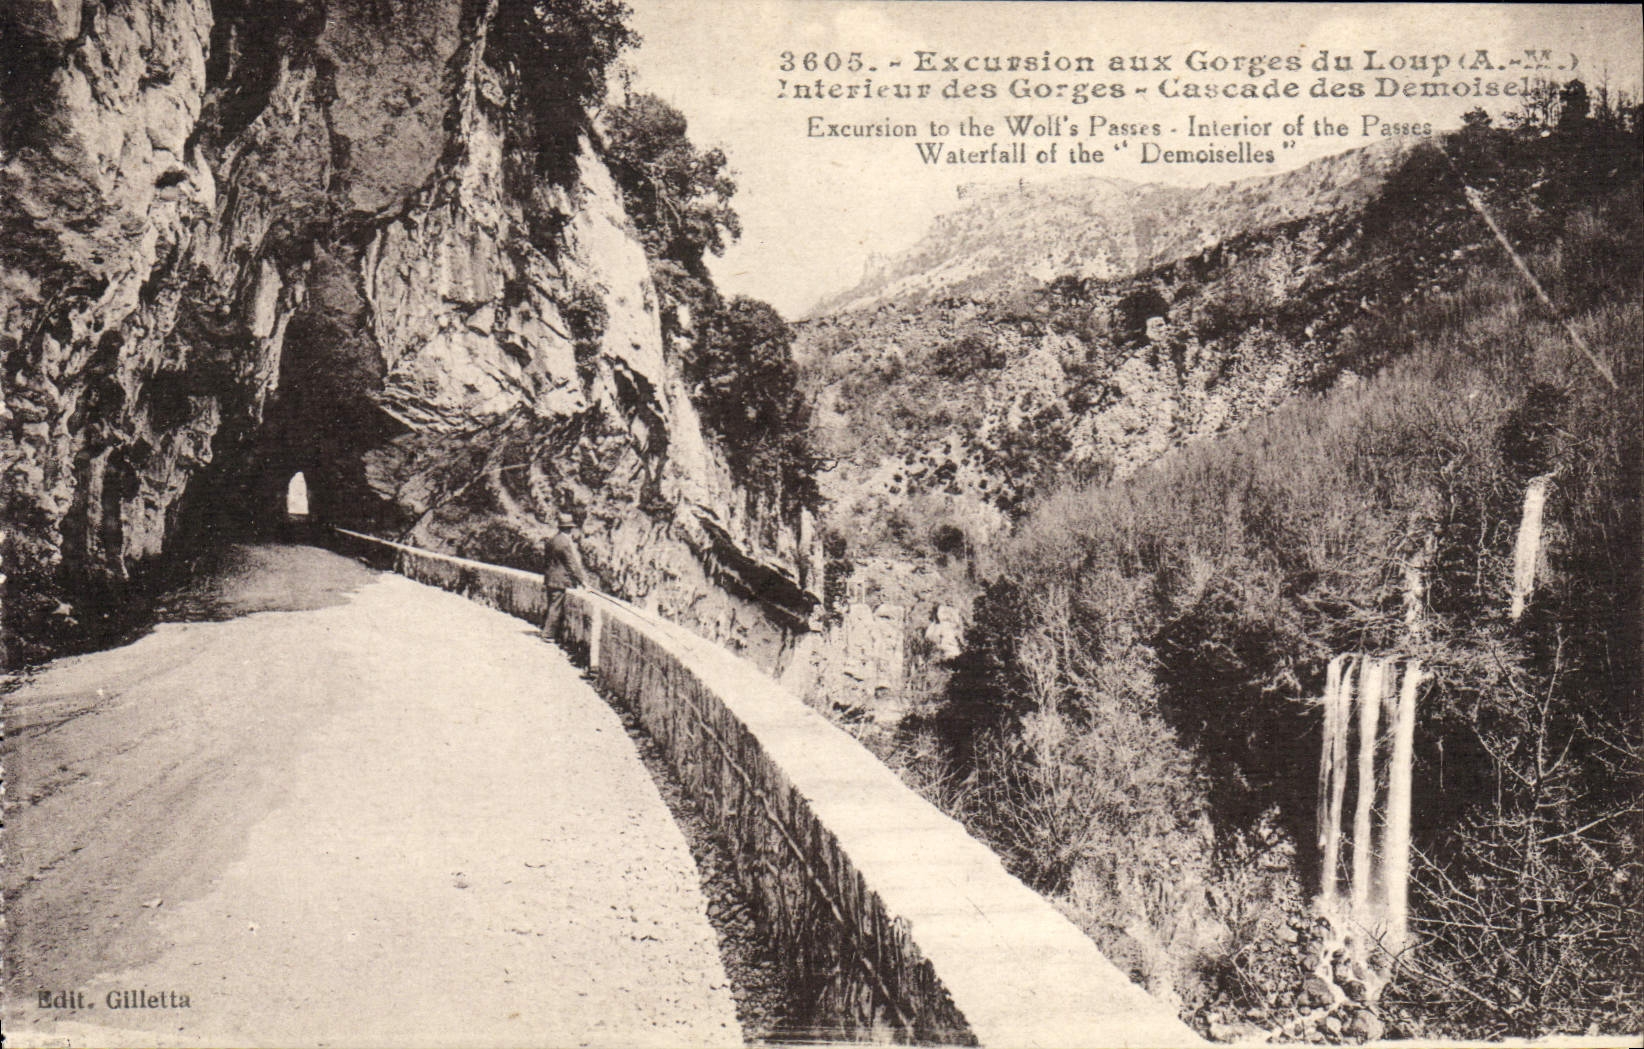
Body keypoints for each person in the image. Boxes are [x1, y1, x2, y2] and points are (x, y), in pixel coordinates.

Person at [542, 512, 590, 638]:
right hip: (559, 580)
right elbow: (571, 564)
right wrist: (583, 581)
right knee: (555, 607)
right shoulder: (564, 543)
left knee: (551, 605)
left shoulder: (552, 540)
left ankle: (548, 632)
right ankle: (547, 635)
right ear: (569, 529)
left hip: (550, 578)